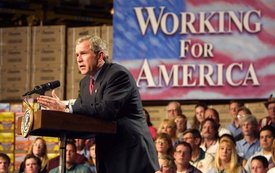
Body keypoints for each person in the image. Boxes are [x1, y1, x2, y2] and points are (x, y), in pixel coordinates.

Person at [37, 35, 160, 173]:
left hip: (130, 153)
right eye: (77, 55)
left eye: (83, 53)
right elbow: (83, 110)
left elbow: (106, 109)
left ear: (100, 55)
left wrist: (66, 107)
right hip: (107, 152)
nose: (78, 59)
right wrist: (59, 110)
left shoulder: (117, 75)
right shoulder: (84, 83)